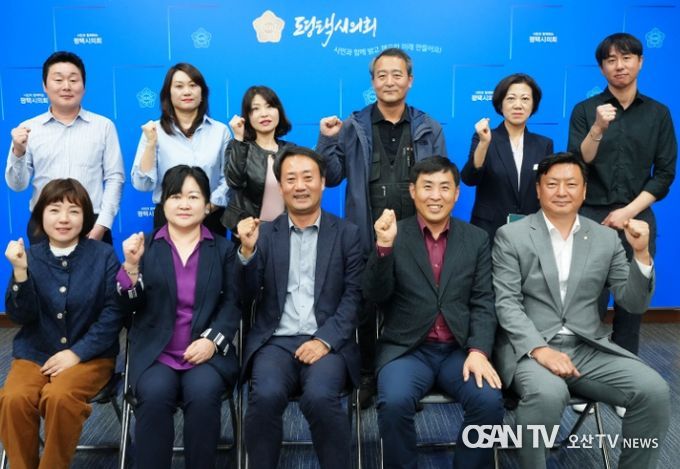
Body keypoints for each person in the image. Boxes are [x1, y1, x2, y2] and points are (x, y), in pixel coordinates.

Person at [492, 153, 670, 469]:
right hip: (531, 349)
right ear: (538, 189)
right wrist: (540, 350)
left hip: (588, 349)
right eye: (552, 184)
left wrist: (641, 254)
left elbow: (633, 303)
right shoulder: (512, 236)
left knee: (653, 390)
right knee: (548, 394)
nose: (562, 191)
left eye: (571, 184)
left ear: (584, 191)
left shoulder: (605, 238)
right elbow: (506, 302)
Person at [317, 47, 447, 402]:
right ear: (373, 81)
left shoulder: (428, 127)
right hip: (364, 233)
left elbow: (440, 181)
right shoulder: (352, 125)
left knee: (409, 303)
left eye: (397, 74)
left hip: (415, 233)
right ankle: (366, 375)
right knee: (365, 306)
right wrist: (327, 140)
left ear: (410, 80)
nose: (389, 81)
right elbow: (332, 177)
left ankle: (403, 379)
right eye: (382, 75)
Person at [363, 156, 504, 469]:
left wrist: (479, 350)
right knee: (394, 403)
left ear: (457, 193)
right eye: (427, 187)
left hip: (459, 350)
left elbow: (484, 301)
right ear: (413, 191)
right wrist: (384, 247)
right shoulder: (395, 233)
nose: (435, 196)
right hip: (408, 350)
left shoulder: (476, 239)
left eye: (444, 187)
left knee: (489, 402)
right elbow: (374, 296)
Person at [236, 147, 363, 469]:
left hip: (327, 342)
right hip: (275, 343)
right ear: (280, 187)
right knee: (264, 397)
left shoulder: (347, 234)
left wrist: (325, 340)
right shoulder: (264, 234)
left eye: (308, 177)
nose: (300, 186)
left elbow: (354, 297)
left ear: (323, 182)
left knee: (321, 397)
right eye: (291, 179)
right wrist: (247, 254)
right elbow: (245, 297)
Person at [117, 165, 240, 469]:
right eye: (175, 196)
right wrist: (131, 268)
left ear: (207, 205)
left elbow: (232, 303)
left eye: (193, 197)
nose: (184, 204)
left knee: (203, 394)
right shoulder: (144, 247)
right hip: (156, 355)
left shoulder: (223, 250)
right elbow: (127, 309)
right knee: (154, 395)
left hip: (206, 355)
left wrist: (212, 341)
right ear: (163, 203)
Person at [0, 178, 123, 469]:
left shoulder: (103, 255)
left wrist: (77, 353)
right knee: (14, 398)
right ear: (41, 215)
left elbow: (113, 314)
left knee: (59, 397)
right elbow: (20, 316)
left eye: (74, 211)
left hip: (90, 357)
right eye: (54, 210)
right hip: (35, 353)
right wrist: (20, 272)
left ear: (86, 216)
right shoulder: (30, 256)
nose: (64, 219)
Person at [567, 32, 677, 360]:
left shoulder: (658, 113)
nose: (619, 66)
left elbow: (665, 175)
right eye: (611, 60)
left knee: (632, 304)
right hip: (590, 216)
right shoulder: (586, 110)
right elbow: (578, 164)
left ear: (640, 62)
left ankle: (626, 371)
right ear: (602, 68)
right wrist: (598, 128)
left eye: (627, 58)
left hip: (637, 217)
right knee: (587, 302)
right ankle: (583, 370)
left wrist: (627, 212)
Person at [5, 51, 124, 244]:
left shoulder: (103, 126)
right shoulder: (28, 129)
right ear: (45, 86)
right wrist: (18, 152)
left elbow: (115, 178)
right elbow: (17, 185)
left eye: (73, 80)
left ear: (83, 86)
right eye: (58, 80)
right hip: (44, 223)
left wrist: (102, 225)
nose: (66, 86)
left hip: (91, 223)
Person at [131, 63, 230, 236]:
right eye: (179, 86)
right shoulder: (153, 131)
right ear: (168, 94)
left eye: (193, 85)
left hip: (211, 217)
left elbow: (228, 179)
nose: (187, 92)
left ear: (202, 93)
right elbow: (142, 184)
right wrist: (151, 143)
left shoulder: (220, 131)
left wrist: (208, 207)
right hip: (168, 219)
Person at [461, 73, 553, 239]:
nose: (518, 105)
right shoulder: (485, 137)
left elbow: (546, 188)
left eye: (525, 99)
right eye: (511, 98)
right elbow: (469, 178)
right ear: (500, 104)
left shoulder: (544, 144)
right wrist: (484, 143)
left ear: (533, 105)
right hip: (489, 230)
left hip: (530, 230)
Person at [222, 85, 295, 236]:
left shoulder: (291, 150)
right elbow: (234, 182)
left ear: (279, 111)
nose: (264, 114)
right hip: (250, 232)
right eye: (255, 109)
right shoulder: (239, 147)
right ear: (247, 116)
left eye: (269, 106)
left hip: (286, 234)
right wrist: (238, 139)